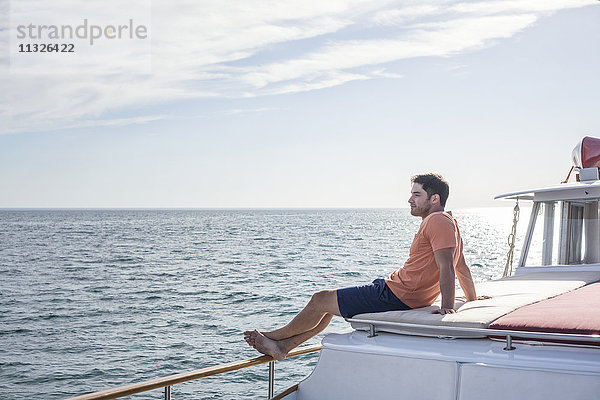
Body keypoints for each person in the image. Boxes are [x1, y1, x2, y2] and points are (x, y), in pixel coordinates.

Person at [244, 173, 480, 361]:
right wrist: (472, 299)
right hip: (399, 290)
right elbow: (462, 267)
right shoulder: (450, 223)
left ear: (434, 199)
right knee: (329, 306)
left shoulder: (436, 220)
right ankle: (283, 347)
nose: (410, 200)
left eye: (416, 195)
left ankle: (271, 337)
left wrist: (447, 308)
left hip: (397, 294)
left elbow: (448, 267)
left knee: (320, 299)